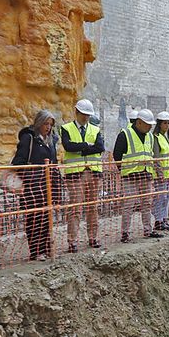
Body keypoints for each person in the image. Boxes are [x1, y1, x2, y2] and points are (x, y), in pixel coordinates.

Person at [13, 109, 59, 260]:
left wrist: (57, 185)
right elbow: (18, 163)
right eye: (45, 123)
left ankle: (46, 248)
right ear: (39, 123)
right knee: (34, 219)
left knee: (46, 218)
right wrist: (32, 177)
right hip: (33, 187)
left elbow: (54, 164)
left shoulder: (51, 140)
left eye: (50, 124)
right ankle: (36, 250)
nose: (48, 127)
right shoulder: (29, 139)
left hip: (48, 186)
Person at [60, 99, 104, 252]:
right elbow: (68, 146)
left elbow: (100, 148)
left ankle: (93, 237)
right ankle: (72, 241)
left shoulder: (95, 129)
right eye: (83, 114)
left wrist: (80, 148)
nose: (86, 117)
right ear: (76, 112)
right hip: (75, 174)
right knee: (75, 209)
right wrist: (87, 146)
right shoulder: (66, 128)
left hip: (93, 172)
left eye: (88, 115)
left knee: (93, 207)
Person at [113, 110, 157, 241]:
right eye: (147, 124)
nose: (150, 127)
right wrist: (125, 170)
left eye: (151, 124)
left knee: (147, 203)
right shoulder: (125, 135)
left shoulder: (150, 136)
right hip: (130, 176)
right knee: (129, 204)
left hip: (146, 174)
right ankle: (125, 233)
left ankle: (148, 230)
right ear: (139, 122)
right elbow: (117, 156)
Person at [150, 111, 169, 233]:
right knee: (160, 198)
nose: (167, 126)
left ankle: (164, 219)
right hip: (161, 175)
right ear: (159, 124)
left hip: (168, 175)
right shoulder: (156, 138)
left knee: (166, 197)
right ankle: (158, 221)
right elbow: (156, 157)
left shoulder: (167, 138)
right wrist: (159, 173)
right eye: (164, 123)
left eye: (168, 123)